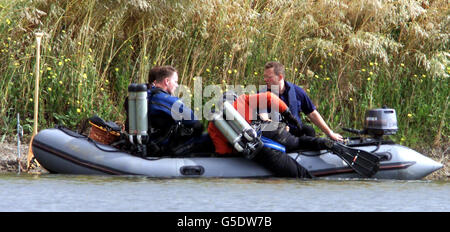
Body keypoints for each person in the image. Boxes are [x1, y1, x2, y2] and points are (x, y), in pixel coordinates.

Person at [208, 91, 335, 178]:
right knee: (298, 142)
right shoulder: (243, 100)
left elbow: (223, 152)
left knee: (300, 175)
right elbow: (270, 97)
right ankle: (325, 143)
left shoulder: (214, 125)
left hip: (262, 150)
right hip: (271, 130)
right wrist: (287, 114)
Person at [125, 65, 213, 156]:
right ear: (167, 81)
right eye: (175, 81)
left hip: (146, 144)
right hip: (161, 149)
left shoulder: (146, 95)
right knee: (207, 140)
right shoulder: (164, 99)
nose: (177, 85)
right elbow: (193, 120)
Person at [263, 61, 343, 142]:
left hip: (294, 132)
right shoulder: (262, 95)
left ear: (280, 77)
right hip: (276, 134)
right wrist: (279, 127)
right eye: (264, 77)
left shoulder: (297, 91)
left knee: (309, 130)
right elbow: (262, 119)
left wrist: (330, 133)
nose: (265, 80)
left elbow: (312, 113)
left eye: (269, 77)